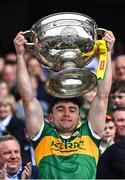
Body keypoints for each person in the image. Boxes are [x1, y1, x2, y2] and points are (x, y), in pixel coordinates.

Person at [14, 30, 115, 179]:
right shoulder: (42, 135)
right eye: (60, 109)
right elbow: (27, 98)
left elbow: (103, 96)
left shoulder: (90, 133)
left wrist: (106, 53)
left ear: (80, 117)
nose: (67, 113)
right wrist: (20, 55)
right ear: (50, 117)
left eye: (72, 110)